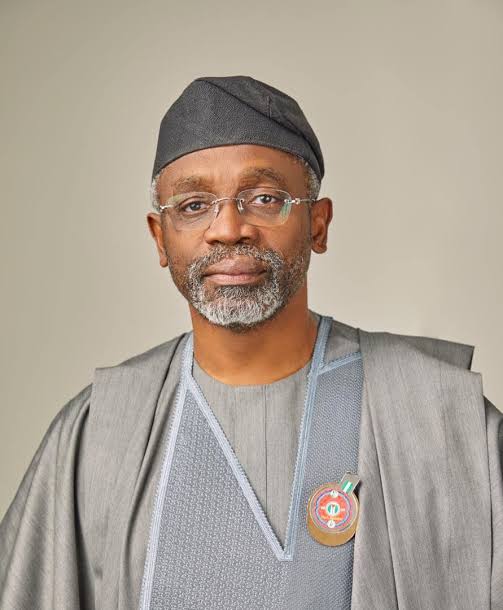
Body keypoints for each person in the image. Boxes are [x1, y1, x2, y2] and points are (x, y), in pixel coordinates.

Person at [0, 75, 501, 610]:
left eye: (264, 198)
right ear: (159, 238)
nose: (228, 228)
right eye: (193, 205)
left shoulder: (440, 418)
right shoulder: (96, 436)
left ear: (318, 224)